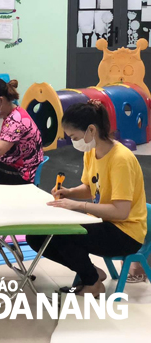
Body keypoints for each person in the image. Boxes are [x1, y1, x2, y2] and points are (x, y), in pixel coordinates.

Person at [27, 101, 147, 296]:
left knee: (61, 234)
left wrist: (78, 206)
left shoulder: (120, 159)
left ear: (91, 130)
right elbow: (91, 188)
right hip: (106, 222)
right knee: (35, 237)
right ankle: (91, 272)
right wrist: (69, 192)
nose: (74, 142)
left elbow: (121, 211)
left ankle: (93, 283)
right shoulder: (91, 151)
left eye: (74, 137)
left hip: (126, 232)